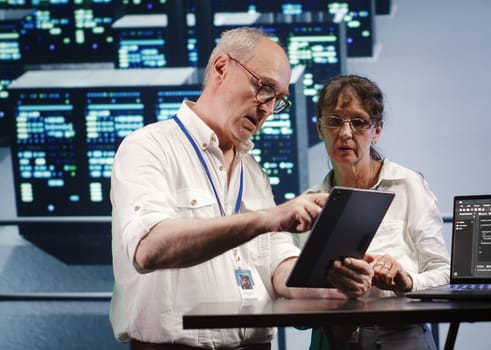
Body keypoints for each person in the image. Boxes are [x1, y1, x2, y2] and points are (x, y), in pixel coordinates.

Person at [109, 27, 374, 350]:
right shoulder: (149, 147)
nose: (266, 109)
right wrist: (268, 218)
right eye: (263, 88)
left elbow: (280, 270)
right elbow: (149, 248)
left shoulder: (254, 173)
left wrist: (329, 280)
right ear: (222, 68)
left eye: (277, 100)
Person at [295, 75, 451, 349]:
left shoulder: (408, 185)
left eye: (358, 122)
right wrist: (327, 295)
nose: (345, 133)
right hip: (330, 340)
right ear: (320, 128)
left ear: (376, 130)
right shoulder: (307, 205)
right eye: (334, 121)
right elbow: (292, 306)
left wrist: (406, 281)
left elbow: (444, 273)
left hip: (402, 336)